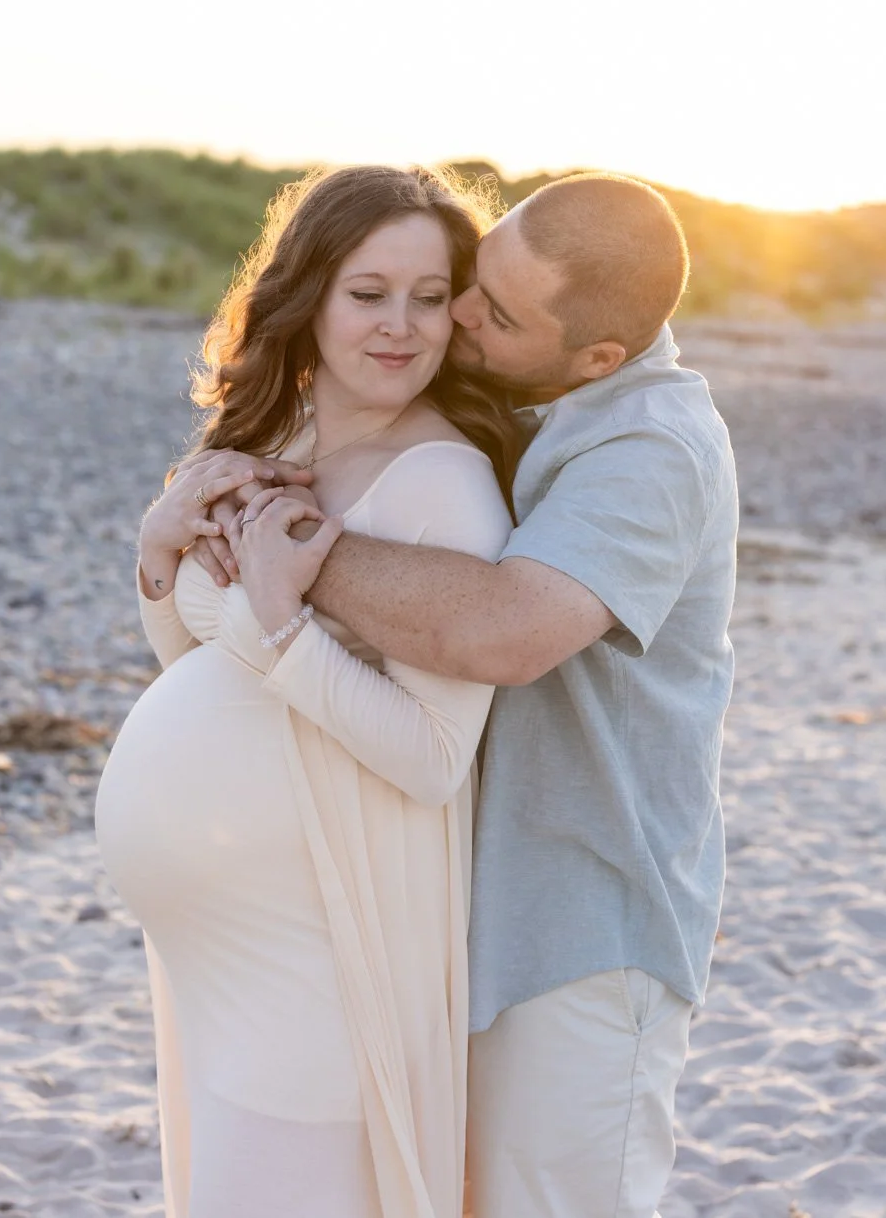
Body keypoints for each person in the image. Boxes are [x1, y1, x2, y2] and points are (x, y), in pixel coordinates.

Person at [208, 172, 739, 1218]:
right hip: (469, 915)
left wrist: (288, 538)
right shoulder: (531, 402)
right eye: (474, 277)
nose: (454, 315)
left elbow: (503, 630)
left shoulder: (650, 448)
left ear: (598, 357)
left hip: (583, 934)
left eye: (492, 312)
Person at [92, 163, 522, 1218]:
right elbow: (201, 672)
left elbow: (431, 758)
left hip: (329, 942)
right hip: (223, 953)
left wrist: (283, 628)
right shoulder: (274, 446)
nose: (401, 326)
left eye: (430, 298)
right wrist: (159, 556)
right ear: (310, 294)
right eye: (369, 292)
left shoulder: (442, 483)